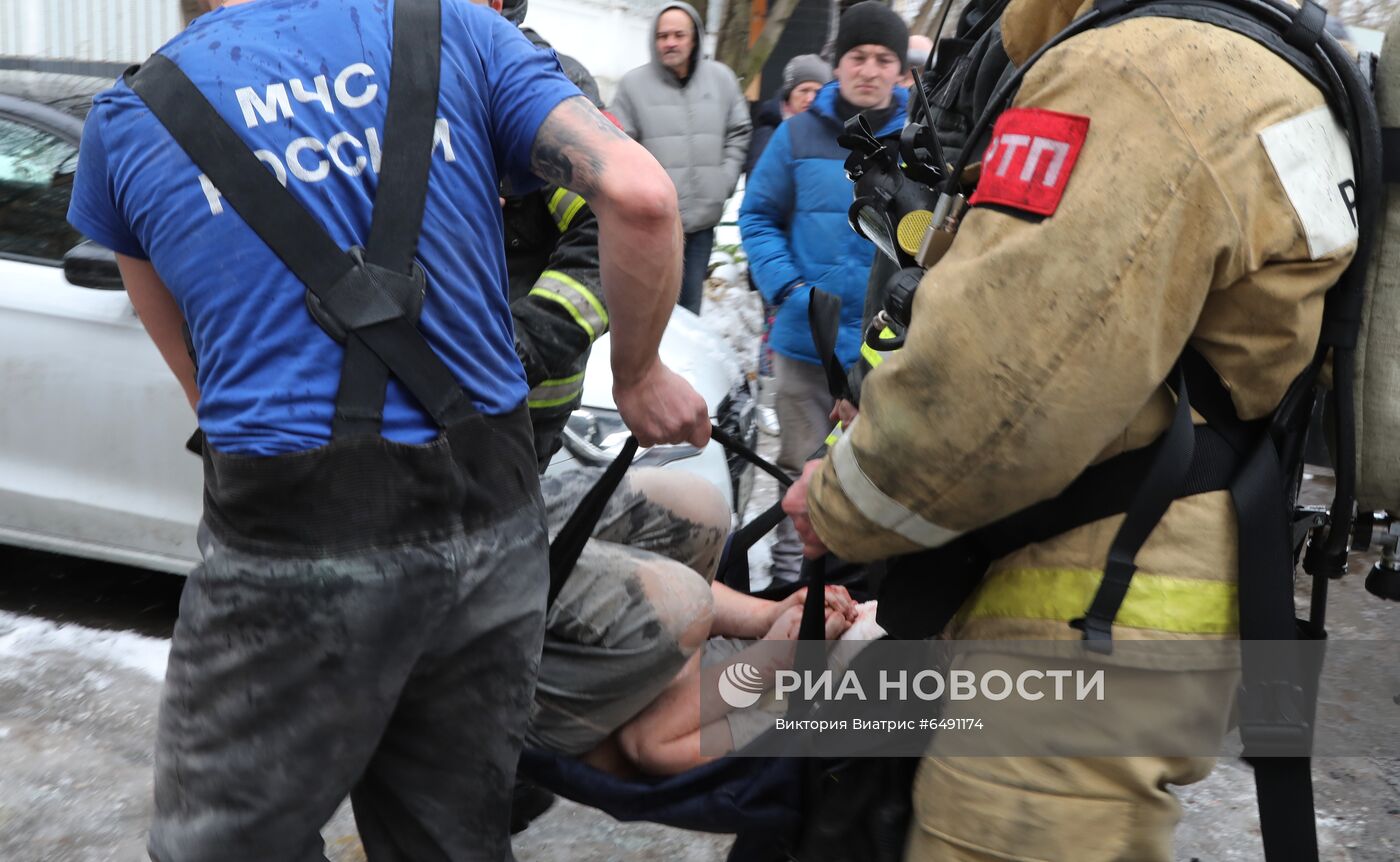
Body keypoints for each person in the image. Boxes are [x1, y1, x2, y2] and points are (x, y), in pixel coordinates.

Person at [66, 0, 709, 859]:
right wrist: (638, 373)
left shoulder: (132, 113)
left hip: (292, 544)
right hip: (492, 519)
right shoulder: (459, 34)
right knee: (448, 836)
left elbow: (198, 376)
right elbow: (640, 194)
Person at [782, 0, 1358, 856]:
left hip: (1076, 622)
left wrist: (836, 502)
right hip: (1156, 585)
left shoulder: (1139, 73)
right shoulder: (1257, 56)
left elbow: (992, 393)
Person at [739, 0, 908, 585]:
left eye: (883, 58)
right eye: (858, 56)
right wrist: (787, 287)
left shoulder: (921, 145)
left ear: (899, 71)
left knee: (871, 476)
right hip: (805, 344)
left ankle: (853, 592)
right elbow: (757, 217)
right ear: (839, 64)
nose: (869, 69)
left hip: (886, 355)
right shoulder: (796, 134)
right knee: (800, 466)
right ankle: (794, 580)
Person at [611, 2, 752, 314]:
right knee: (649, 312)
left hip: (701, 223)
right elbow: (618, 146)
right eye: (662, 36)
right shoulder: (633, 86)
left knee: (689, 311)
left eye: (678, 35)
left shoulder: (722, 80)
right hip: (652, 225)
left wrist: (724, 181)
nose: (670, 42)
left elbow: (739, 130)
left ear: (695, 39)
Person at [745, 53, 832, 178]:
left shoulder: (834, 134)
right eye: (804, 90)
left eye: (818, 92)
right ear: (788, 95)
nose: (810, 98)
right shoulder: (769, 135)